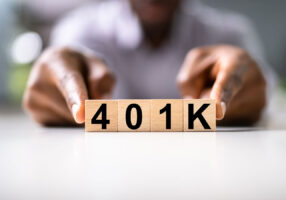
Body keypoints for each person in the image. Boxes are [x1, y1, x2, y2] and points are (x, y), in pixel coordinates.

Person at [23, 0, 270, 126]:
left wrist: (258, 97)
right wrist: (54, 97)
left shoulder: (231, 35)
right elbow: (53, 82)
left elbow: (270, 100)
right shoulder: (79, 31)